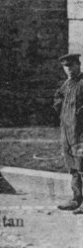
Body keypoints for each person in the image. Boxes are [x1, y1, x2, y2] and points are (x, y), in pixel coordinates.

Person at [54, 52, 83, 212]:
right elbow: (57, 97)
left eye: (71, 65)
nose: (69, 69)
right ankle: (76, 199)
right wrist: (61, 110)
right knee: (73, 168)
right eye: (66, 67)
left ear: (78, 65)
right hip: (67, 133)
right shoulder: (66, 84)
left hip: (80, 134)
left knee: (82, 166)